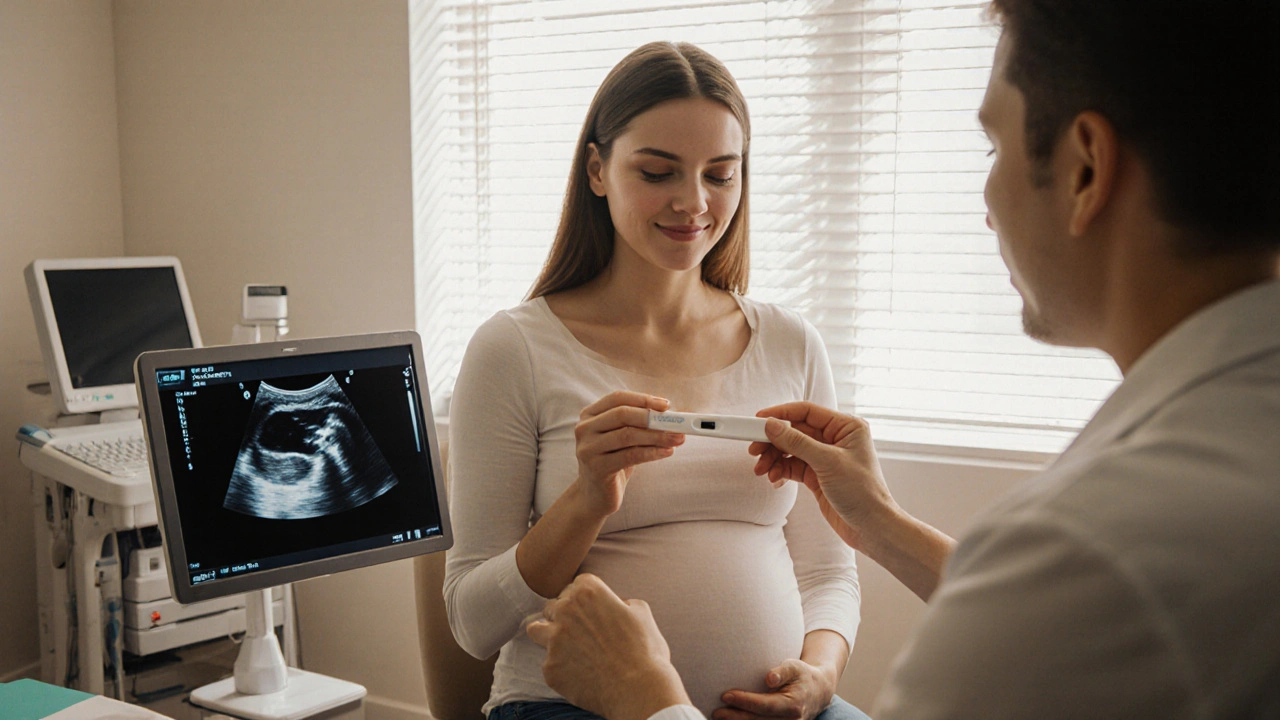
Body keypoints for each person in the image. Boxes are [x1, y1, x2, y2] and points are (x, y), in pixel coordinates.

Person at [526, 1, 1280, 718]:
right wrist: (880, 521)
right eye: (659, 170)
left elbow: (1046, 595)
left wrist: (646, 699)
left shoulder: (1078, 555)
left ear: (1085, 168)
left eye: (993, 147)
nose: (984, 203)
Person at [443, 42, 867, 720]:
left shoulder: (792, 343)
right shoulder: (514, 349)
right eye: (658, 171)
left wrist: (817, 678)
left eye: (720, 174)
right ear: (598, 169)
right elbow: (471, 622)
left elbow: (828, 571)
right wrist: (586, 500)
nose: (693, 202)